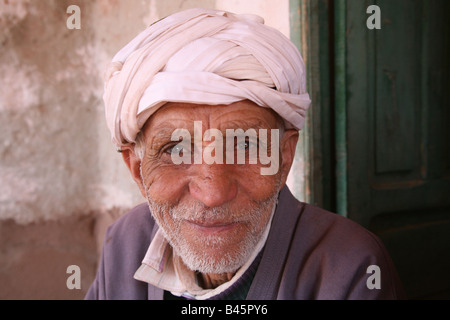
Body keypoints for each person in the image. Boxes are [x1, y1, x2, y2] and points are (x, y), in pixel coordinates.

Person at [85, 8, 404, 300]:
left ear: (284, 156)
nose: (212, 194)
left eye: (245, 145)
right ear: (138, 170)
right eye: (176, 149)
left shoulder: (351, 269)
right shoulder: (123, 246)